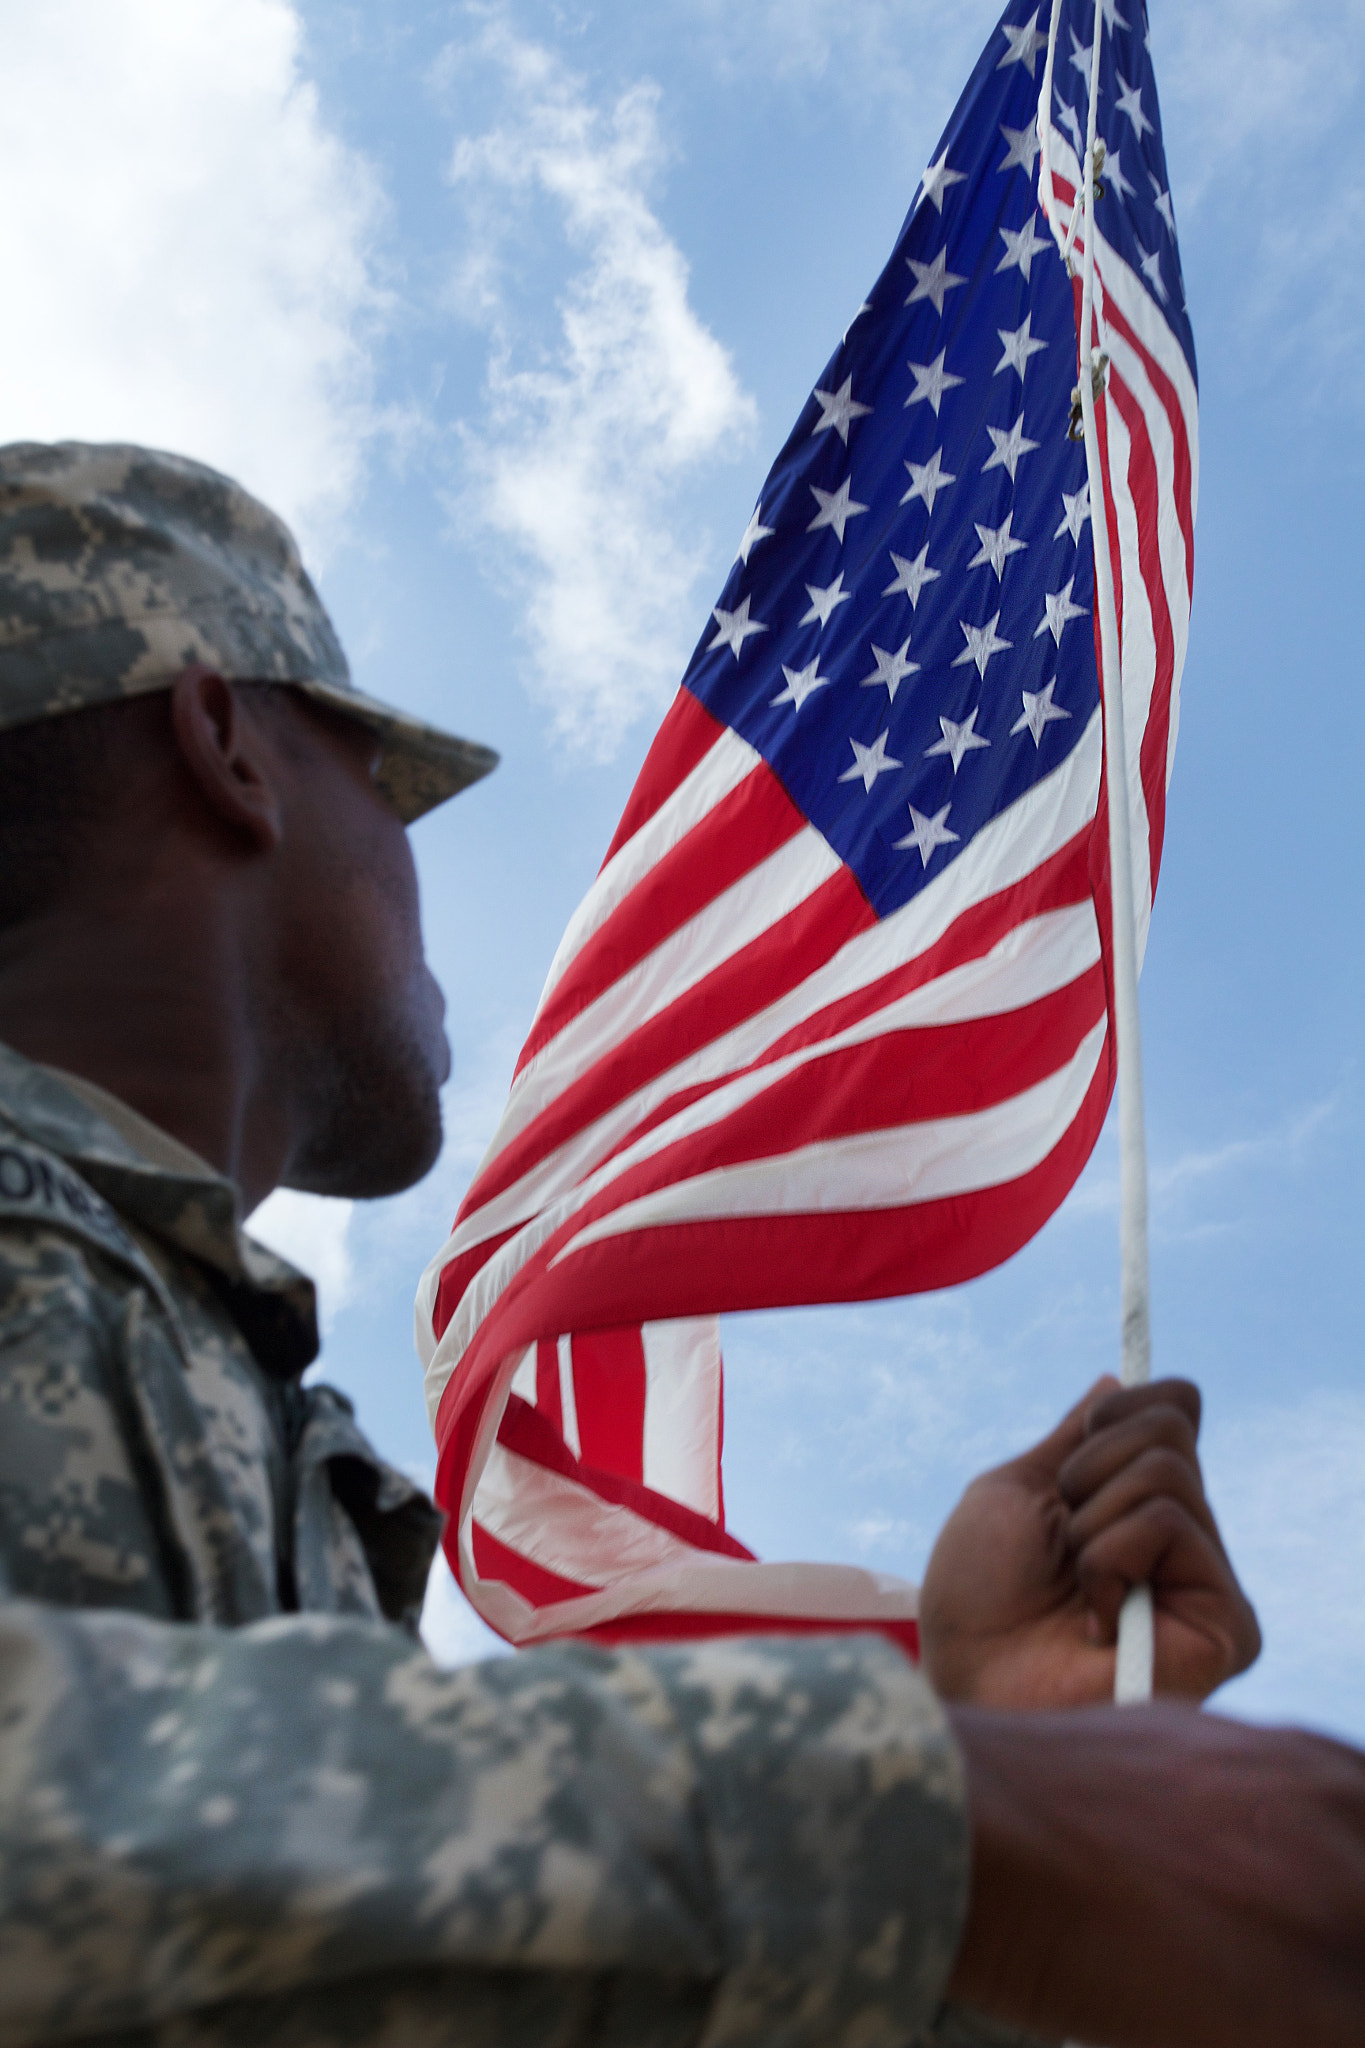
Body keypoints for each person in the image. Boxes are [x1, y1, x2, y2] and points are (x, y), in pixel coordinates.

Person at [0, 440, 1357, 2048]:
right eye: (376, 772)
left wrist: (995, 1751)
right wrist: (955, 1816)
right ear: (226, 743)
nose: (408, 860)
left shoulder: (215, 1376)